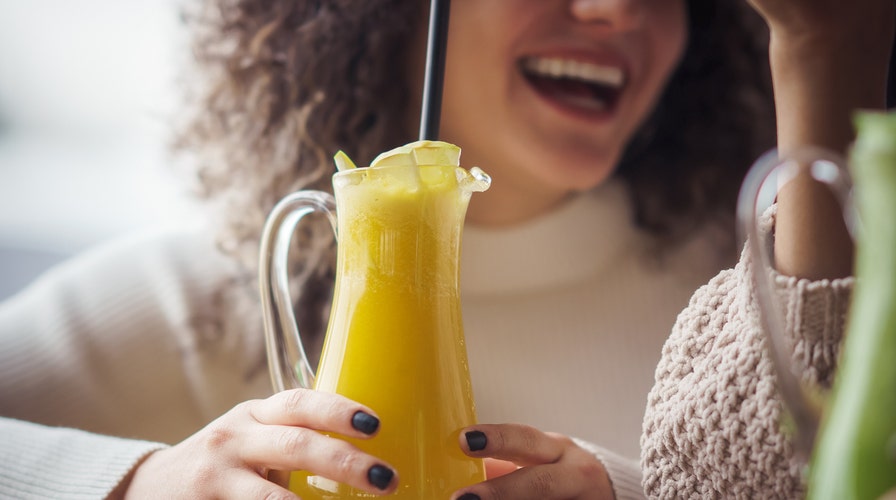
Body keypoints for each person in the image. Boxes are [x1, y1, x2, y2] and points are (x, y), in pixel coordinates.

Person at [0, 0, 887, 498]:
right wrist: (139, 482)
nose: (614, 7)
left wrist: (629, 490)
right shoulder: (206, 301)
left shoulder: (784, 289)